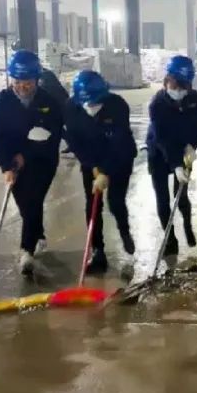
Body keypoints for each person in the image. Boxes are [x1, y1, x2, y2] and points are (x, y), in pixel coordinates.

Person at [0, 49, 64, 275]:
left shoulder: (49, 102)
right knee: (25, 205)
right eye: (17, 82)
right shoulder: (1, 102)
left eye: (28, 82)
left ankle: (26, 251)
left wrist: (26, 154)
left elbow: (53, 137)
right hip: (12, 160)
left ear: (37, 79)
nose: (22, 86)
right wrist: (6, 166)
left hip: (43, 161)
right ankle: (37, 233)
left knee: (33, 200)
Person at [64, 70, 137, 273]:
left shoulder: (118, 105)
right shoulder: (71, 107)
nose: (91, 106)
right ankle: (98, 252)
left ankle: (124, 231)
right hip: (91, 159)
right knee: (92, 204)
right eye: (86, 102)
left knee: (115, 202)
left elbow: (119, 142)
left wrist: (105, 171)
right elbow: (74, 142)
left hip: (120, 158)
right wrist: (93, 166)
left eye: (95, 102)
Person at [147, 55, 197, 255]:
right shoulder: (157, 104)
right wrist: (176, 165)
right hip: (159, 152)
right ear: (167, 81)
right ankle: (170, 239)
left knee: (181, 195)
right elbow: (162, 138)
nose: (179, 90)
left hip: (184, 151)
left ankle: (188, 226)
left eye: (184, 86)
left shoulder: (193, 99)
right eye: (176, 85)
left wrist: (192, 146)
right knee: (163, 199)